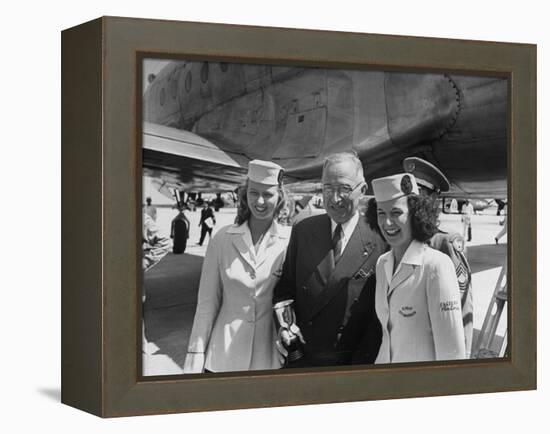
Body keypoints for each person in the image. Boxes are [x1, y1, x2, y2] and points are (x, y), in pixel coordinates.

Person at [273, 152, 386, 367]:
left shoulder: (379, 238)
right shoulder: (303, 230)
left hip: (354, 363)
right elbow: (284, 291)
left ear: (362, 190)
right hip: (303, 359)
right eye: (327, 188)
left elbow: (380, 316)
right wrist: (284, 328)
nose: (334, 198)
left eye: (344, 188)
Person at [183, 160, 291, 373]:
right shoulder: (222, 239)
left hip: (269, 358)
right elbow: (206, 304)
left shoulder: (290, 240)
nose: (260, 201)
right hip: (223, 357)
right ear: (245, 194)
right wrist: (195, 356)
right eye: (253, 193)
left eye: (268, 194)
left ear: (279, 197)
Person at [372, 173, 465, 363]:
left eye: (396, 213)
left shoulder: (436, 266)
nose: (387, 223)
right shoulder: (382, 264)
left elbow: (452, 353)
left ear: (415, 215)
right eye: (381, 213)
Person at [402, 157, 474, 358]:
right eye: (408, 198)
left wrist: (462, 359)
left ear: (431, 200)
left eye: (417, 197)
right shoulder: (398, 241)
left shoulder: (445, 243)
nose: (411, 204)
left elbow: (462, 308)